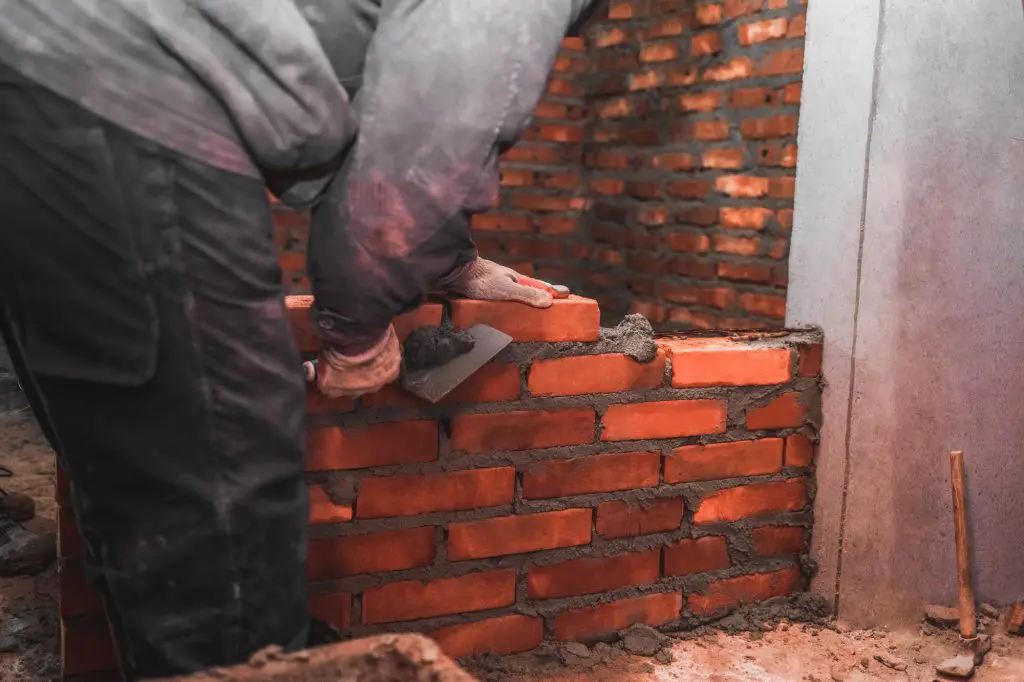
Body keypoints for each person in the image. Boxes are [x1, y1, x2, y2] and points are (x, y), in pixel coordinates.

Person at [0, 0, 600, 679]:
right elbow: (415, 164)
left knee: (140, 462)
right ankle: (235, 649)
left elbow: (400, 110)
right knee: (222, 499)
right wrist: (357, 333)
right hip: (112, 90)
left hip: (42, 80)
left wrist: (448, 260)